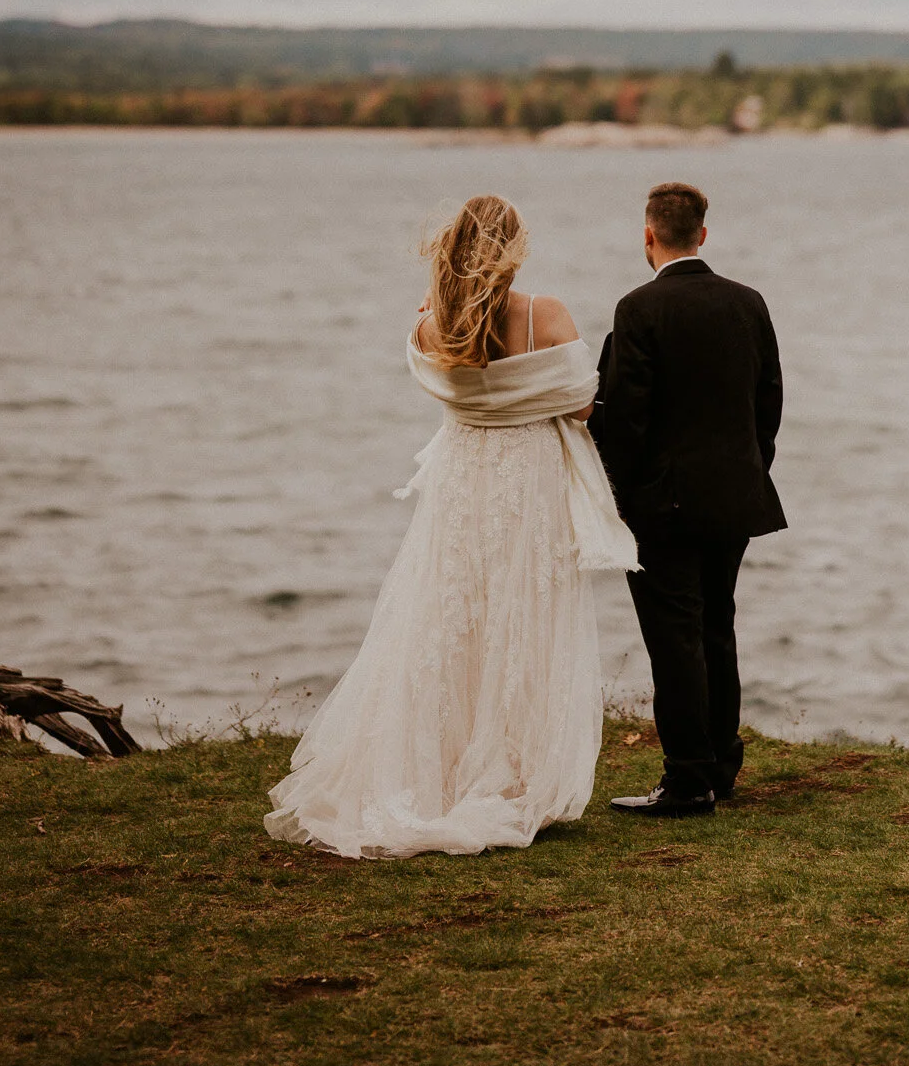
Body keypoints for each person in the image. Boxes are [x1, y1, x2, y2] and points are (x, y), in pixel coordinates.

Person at [265, 194, 636, 858]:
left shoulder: (428, 327)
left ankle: (435, 771)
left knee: (447, 619)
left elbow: (446, 382)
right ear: (513, 250)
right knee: (521, 619)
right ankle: (511, 774)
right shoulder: (542, 314)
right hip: (524, 481)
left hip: (463, 480)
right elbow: (581, 404)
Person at [593, 181, 785, 816]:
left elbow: (623, 418)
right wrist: (750, 471)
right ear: (703, 233)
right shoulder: (748, 303)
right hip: (735, 498)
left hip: (663, 506)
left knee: (675, 638)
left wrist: (624, 498)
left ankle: (686, 782)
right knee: (716, 627)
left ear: (649, 235)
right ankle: (719, 768)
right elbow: (769, 402)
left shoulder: (638, 310)